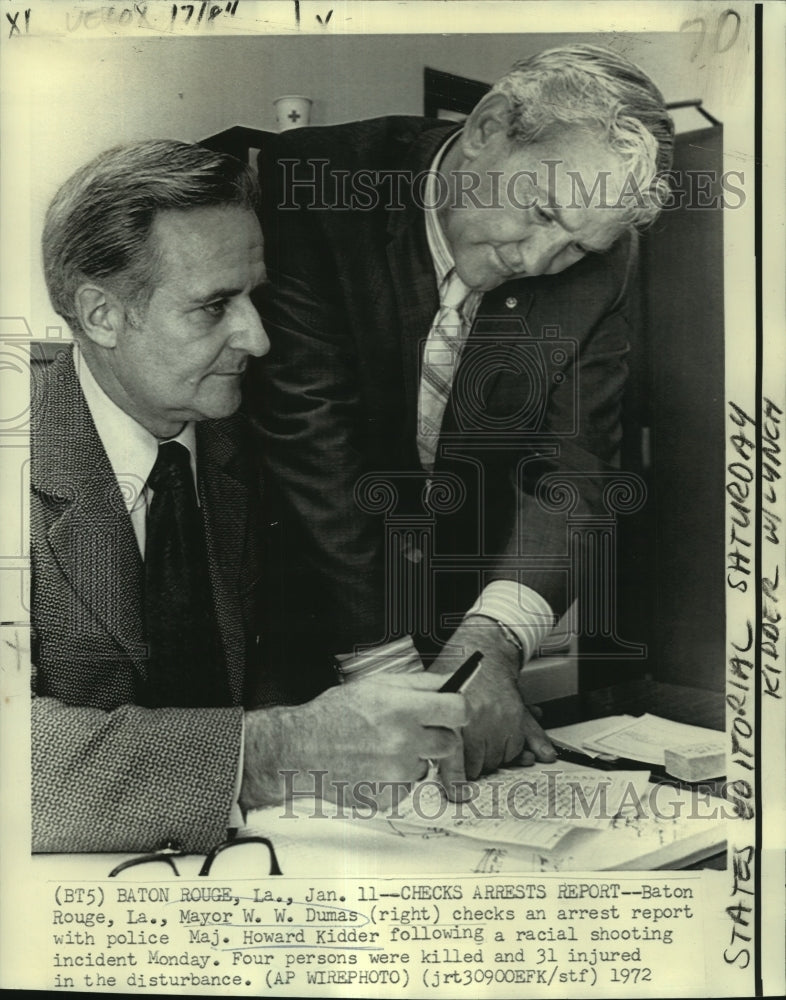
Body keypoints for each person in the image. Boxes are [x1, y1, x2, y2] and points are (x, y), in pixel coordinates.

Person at [250, 44, 674, 782]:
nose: (541, 259)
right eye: (542, 212)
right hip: (292, 628)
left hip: (453, 625)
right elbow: (310, 441)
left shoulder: (606, 261)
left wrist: (487, 650)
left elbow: (573, 474)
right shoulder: (313, 185)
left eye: (576, 245)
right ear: (488, 128)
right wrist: (400, 686)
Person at [31, 139, 466, 854]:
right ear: (101, 315)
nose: (259, 340)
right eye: (213, 308)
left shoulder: (256, 439)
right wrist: (273, 753)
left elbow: (297, 659)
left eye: (255, 297)